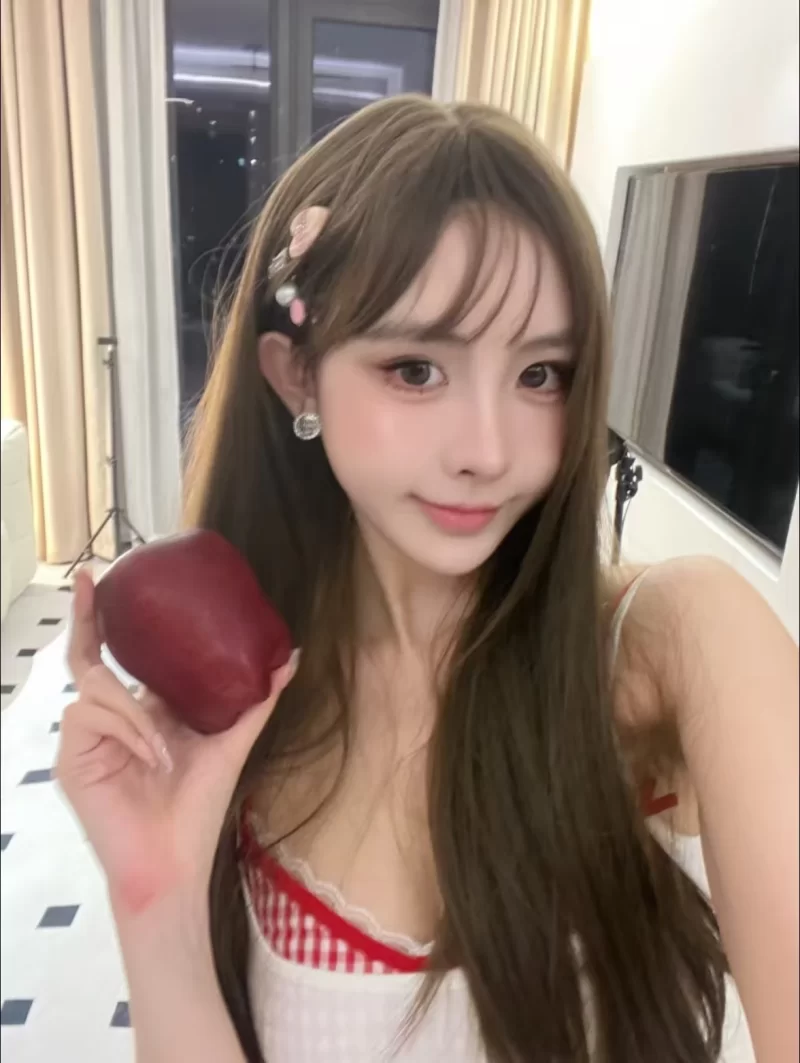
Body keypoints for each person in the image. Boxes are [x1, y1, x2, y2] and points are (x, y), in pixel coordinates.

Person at [57, 96, 798, 1063]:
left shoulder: (677, 644)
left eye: (541, 374)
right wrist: (153, 896)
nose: (486, 450)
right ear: (297, 376)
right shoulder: (249, 716)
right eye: (415, 369)